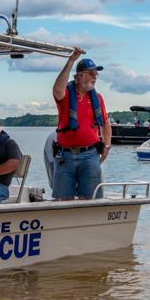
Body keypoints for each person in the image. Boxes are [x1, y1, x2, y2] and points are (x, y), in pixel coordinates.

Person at [52, 49, 111, 200]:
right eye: (90, 73)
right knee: (62, 201)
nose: (94, 77)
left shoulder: (98, 98)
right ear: (78, 76)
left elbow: (105, 123)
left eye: (96, 74)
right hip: (65, 156)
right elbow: (57, 89)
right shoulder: (65, 95)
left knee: (92, 200)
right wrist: (70, 61)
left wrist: (107, 145)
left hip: (90, 156)